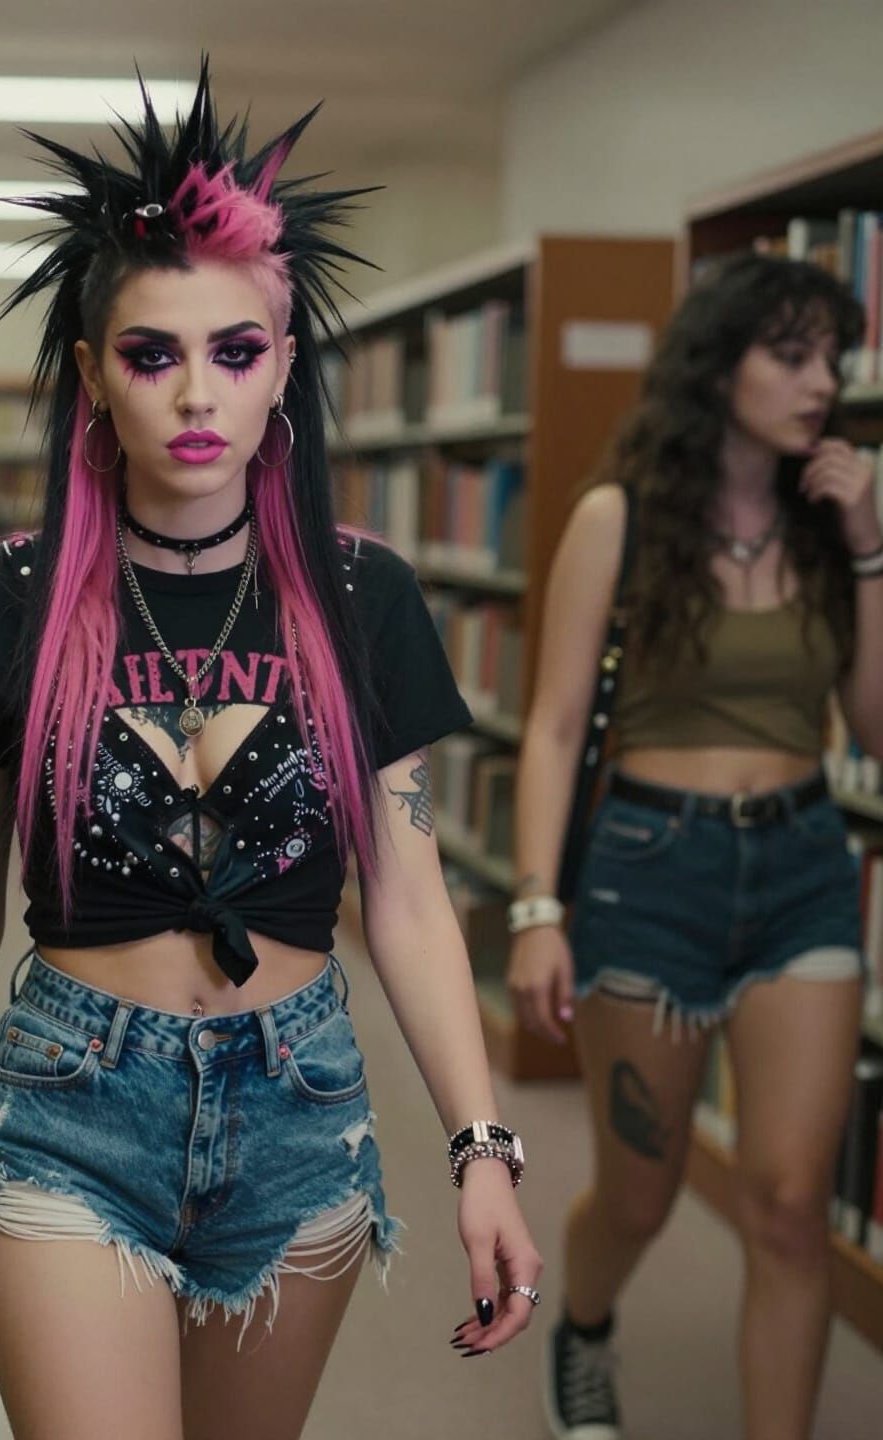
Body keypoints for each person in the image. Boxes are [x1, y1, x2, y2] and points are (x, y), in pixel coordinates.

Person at [0, 65, 542, 1440]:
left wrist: (480, 1149)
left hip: (301, 1110)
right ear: (91, 375)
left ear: (284, 366)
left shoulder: (364, 595)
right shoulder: (7, 596)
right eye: (152, 354)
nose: (195, 395)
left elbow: (406, 899)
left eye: (235, 352)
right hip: (71, 1102)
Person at [507, 254, 881, 1440]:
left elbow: (873, 727)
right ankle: (586, 1324)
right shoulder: (618, 517)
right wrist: (533, 910)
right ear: (718, 368)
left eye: (833, 357)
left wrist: (870, 545)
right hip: (647, 873)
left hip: (804, 872)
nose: (821, 381)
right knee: (641, 1197)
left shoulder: (836, 522)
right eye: (792, 354)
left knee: (784, 1206)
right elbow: (557, 725)